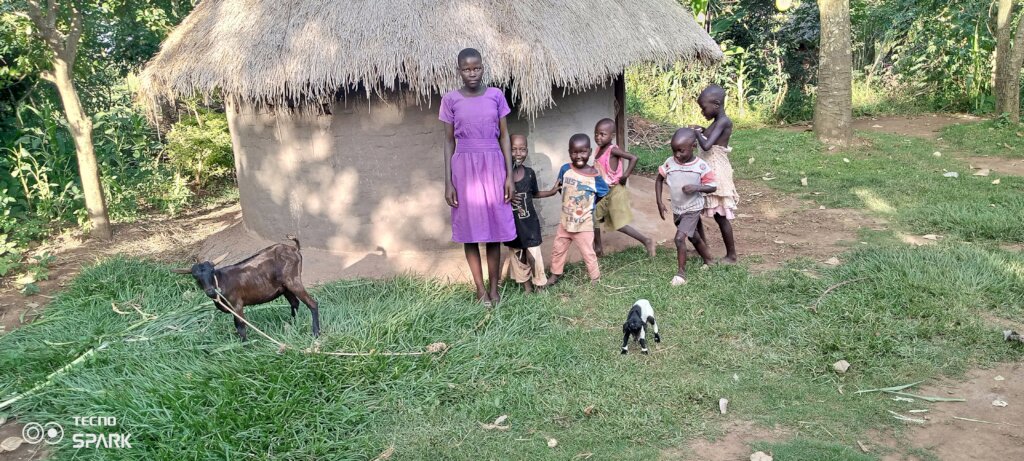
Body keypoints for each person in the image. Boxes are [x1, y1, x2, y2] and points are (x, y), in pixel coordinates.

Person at [440, 48, 516, 306]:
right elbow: (448, 142)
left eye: (476, 68)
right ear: (459, 71)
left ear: (483, 68)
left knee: (494, 229)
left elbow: (504, 136)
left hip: (493, 165)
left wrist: (509, 176)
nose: (472, 73)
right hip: (464, 169)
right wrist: (448, 182)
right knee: (470, 231)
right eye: (466, 69)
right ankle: (480, 289)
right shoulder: (450, 100)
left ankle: (494, 289)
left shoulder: (496, 95)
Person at [543, 134, 609, 286]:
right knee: (558, 249)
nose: (578, 156)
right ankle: (555, 274)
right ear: (569, 152)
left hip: (583, 225)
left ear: (590, 151)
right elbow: (561, 187)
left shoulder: (594, 176)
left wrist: (589, 206)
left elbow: (603, 193)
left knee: (588, 252)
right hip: (565, 222)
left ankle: (595, 278)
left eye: (583, 152)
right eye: (574, 152)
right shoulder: (565, 169)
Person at [655, 128, 716, 286]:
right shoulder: (670, 163)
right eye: (674, 150)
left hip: (692, 208)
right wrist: (659, 202)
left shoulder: (700, 166)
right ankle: (709, 260)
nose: (677, 155)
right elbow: (659, 180)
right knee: (693, 236)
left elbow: (712, 186)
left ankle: (681, 274)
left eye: (681, 151)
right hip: (678, 209)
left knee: (679, 238)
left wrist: (696, 188)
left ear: (693, 146)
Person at [591, 118, 656, 258]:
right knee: (595, 217)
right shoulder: (598, 149)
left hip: (613, 191)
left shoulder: (613, 150)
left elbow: (634, 158)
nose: (598, 137)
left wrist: (625, 175)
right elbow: (598, 167)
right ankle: (598, 248)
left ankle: (646, 240)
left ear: (612, 136)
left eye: (603, 134)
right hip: (602, 191)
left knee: (614, 223)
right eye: (596, 134)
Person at [690, 84, 739, 264]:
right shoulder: (717, 122)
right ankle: (701, 246)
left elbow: (706, 145)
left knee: (720, 216)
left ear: (716, 105)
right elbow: (710, 137)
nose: (702, 112)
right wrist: (703, 130)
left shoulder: (724, 121)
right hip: (708, 171)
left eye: (704, 108)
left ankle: (731, 256)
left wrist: (696, 134)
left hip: (717, 172)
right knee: (695, 209)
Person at [506, 134, 559, 293]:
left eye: (522, 149)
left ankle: (539, 284)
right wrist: (506, 197)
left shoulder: (529, 173)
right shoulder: (502, 175)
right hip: (512, 225)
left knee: (533, 254)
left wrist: (551, 192)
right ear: (506, 150)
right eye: (513, 149)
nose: (518, 153)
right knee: (518, 255)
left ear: (527, 151)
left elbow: (534, 193)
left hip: (530, 224)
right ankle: (526, 286)